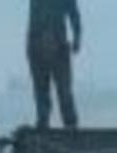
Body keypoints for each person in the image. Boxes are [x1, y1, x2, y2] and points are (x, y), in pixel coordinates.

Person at [27, 0, 81, 129]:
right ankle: (43, 122)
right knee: (41, 90)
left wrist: (77, 37)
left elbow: (74, 15)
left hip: (57, 46)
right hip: (37, 46)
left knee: (64, 90)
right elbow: (74, 15)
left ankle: (70, 124)